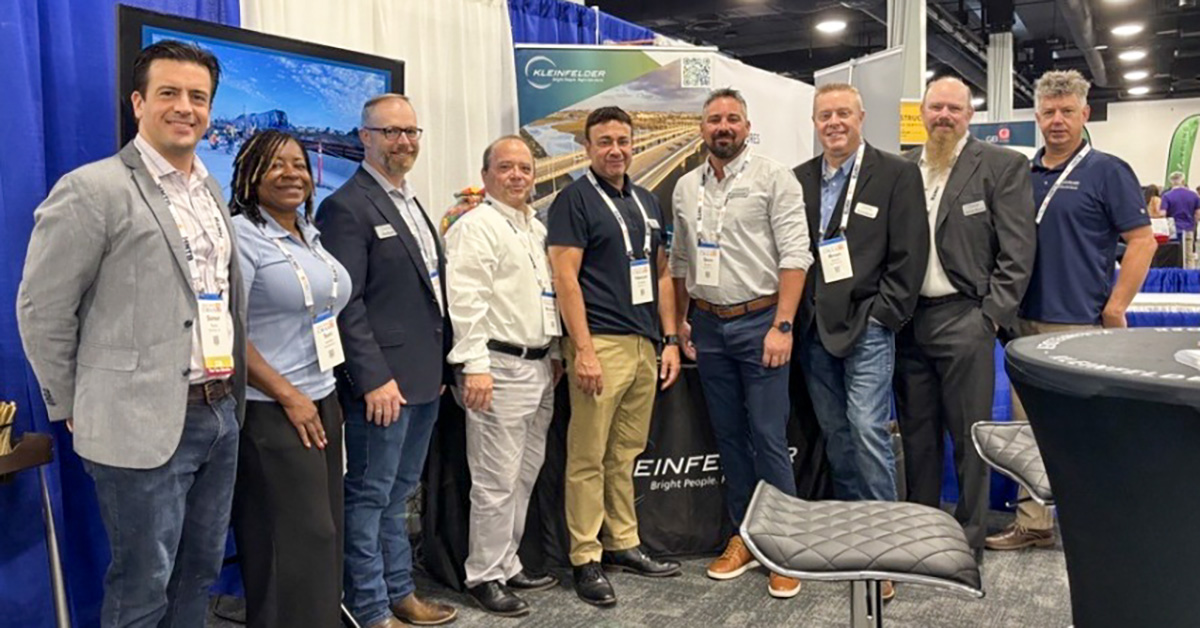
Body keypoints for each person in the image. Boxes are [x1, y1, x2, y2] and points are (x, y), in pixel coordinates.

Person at [17, 40, 246, 628]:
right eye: (169, 93)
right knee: (142, 584)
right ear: (138, 102)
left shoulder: (210, 191)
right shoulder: (92, 189)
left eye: (198, 97)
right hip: (135, 420)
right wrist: (71, 404)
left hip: (219, 411)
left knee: (199, 572)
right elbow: (42, 308)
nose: (185, 107)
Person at [986, 69, 1157, 551]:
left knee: (1086, 426)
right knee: (1027, 425)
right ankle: (1033, 519)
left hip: (1077, 320)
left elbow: (1142, 242)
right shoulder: (1020, 172)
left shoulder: (1107, 170)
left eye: (1067, 111)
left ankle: (1100, 518)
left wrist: (1116, 305)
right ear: (1036, 117)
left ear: (1085, 113)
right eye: (1048, 112)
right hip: (1020, 320)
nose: (1057, 120)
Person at [316, 94, 456, 628]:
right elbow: (345, 301)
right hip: (382, 386)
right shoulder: (345, 206)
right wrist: (373, 378)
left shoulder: (411, 203)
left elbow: (429, 294)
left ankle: (401, 593)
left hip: (423, 379)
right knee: (371, 495)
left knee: (400, 493)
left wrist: (441, 369)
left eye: (411, 132)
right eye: (391, 132)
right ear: (364, 138)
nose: (404, 141)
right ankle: (371, 608)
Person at [669, 88, 811, 598]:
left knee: (769, 436)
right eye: (713, 120)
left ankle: (783, 545)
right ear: (702, 129)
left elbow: (797, 255)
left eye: (732, 118)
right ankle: (746, 537)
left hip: (761, 323)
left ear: (747, 126)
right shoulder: (686, 187)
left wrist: (784, 325)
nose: (722, 126)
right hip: (708, 326)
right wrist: (681, 321)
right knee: (728, 437)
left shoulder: (775, 178)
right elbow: (681, 263)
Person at [793, 84, 927, 602]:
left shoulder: (896, 174)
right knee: (836, 433)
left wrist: (884, 316)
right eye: (825, 115)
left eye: (842, 113)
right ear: (814, 121)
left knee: (868, 429)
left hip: (868, 326)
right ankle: (855, 534)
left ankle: (884, 549)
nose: (834, 123)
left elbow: (909, 253)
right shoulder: (800, 179)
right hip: (814, 331)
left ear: (861, 117)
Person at [547, 106, 683, 607]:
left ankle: (623, 541)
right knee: (587, 457)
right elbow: (565, 279)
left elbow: (663, 273)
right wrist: (581, 348)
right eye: (604, 141)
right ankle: (585, 556)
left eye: (623, 140)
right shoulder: (573, 200)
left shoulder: (647, 200)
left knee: (624, 454)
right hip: (599, 343)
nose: (615, 150)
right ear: (586, 147)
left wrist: (668, 340)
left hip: (645, 344)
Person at [894, 77, 1036, 553]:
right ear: (923, 112)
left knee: (968, 436)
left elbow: (1017, 251)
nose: (944, 117)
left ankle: (968, 535)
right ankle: (920, 529)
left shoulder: (1001, 166)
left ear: (969, 114)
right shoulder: (902, 169)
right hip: (910, 321)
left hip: (967, 318)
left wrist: (991, 317)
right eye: (936, 108)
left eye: (954, 108)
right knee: (917, 435)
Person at [228, 130, 350, 628]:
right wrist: (287, 395)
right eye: (275, 165)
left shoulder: (308, 233)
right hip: (271, 407)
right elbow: (230, 330)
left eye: (298, 164)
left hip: (322, 398)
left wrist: (315, 396)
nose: (291, 174)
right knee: (292, 539)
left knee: (326, 535)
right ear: (249, 174)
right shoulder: (240, 235)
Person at [445, 136, 564, 617]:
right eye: (506, 168)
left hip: (538, 365)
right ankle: (484, 574)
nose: (517, 176)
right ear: (488, 173)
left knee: (523, 475)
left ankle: (508, 560)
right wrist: (474, 366)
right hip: (497, 367)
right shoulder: (476, 226)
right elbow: (465, 300)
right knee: (494, 480)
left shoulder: (535, 227)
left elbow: (543, 297)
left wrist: (554, 351)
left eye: (525, 169)